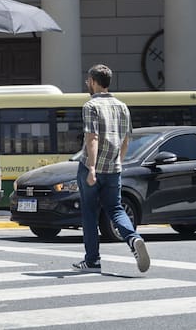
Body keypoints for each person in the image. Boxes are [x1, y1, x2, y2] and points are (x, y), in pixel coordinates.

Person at [72, 64, 150, 274]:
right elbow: (126, 139)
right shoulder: (122, 106)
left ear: (94, 82)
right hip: (114, 168)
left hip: (92, 167)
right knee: (115, 209)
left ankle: (92, 261)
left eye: (88, 81)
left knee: (89, 212)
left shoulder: (91, 106)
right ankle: (133, 238)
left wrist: (91, 168)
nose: (87, 84)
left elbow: (92, 137)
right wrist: (119, 163)